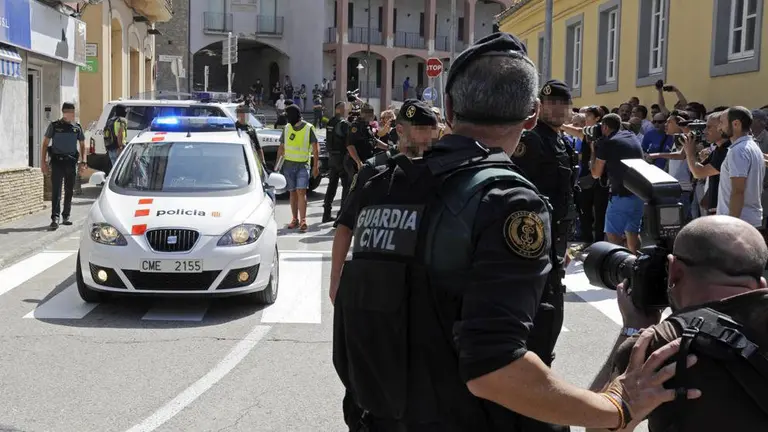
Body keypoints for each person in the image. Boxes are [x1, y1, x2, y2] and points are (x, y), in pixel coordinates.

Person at [332, 32, 694, 432]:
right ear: (533, 114)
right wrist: (617, 408)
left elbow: (347, 303)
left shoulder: (383, 180)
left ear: (448, 109)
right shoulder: (506, 199)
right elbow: (494, 369)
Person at [589, 215, 768, 431]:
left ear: (674, 271)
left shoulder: (661, 345)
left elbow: (595, 425)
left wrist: (632, 330)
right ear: (761, 284)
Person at [512, 79, 578, 308]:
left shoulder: (562, 141)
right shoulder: (532, 139)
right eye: (549, 103)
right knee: (538, 300)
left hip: (557, 232)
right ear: (539, 107)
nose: (555, 108)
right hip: (536, 232)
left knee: (551, 295)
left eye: (561, 102)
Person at [590, 113, 645, 253]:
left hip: (621, 196)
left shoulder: (608, 143)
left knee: (613, 235)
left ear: (605, 127)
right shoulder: (630, 136)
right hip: (639, 193)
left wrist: (593, 152)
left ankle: (621, 266)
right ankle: (637, 264)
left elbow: (596, 174)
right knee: (632, 232)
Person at [41, 102, 87, 230]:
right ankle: (55, 218)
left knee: (69, 190)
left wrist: (84, 162)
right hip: (57, 162)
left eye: (72, 112)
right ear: (63, 112)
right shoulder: (54, 126)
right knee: (56, 191)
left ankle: (66, 216)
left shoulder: (77, 127)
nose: (71, 114)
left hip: (71, 162)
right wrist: (43, 162)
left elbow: (83, 145)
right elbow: (45, 144)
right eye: (69, 112)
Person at [718, 106, 764, 228]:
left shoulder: (738, 151)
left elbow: (738, 191)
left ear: (736, 124)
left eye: (722, 123)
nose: (719, 127)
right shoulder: (753, 146)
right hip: (747, 219)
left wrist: (732, 224)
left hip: (739, 223)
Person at [275, 105, 319, 232]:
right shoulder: (287, 128)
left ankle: (303, 220)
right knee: (292, 192)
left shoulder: (309, 128)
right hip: (288, 165)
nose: (286, 119)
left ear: (294, 116)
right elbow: (281, 147)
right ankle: (295, 219)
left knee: (301, 191)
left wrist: (316, 166)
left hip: (303, 165)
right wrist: (277, 166)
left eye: (288, 116)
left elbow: (315, 149)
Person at [323, 101, 351, 223]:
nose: (347, 110)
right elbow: (348, 140)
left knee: (332, 185)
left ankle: (326, 214)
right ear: (339, 109)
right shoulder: (343, 124)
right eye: (344, 108)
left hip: (332, 158)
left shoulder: (330, 122)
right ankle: (341, 215)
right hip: (341, 157)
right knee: (346, 186)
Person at [234, 104, 266, 169]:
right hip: (239, 159)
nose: (246, 115)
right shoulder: (234, 128)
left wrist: (263, 163)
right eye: (243, 113)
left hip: (251, 157)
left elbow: (258, 147)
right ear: (238, 115)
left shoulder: (250, 128)